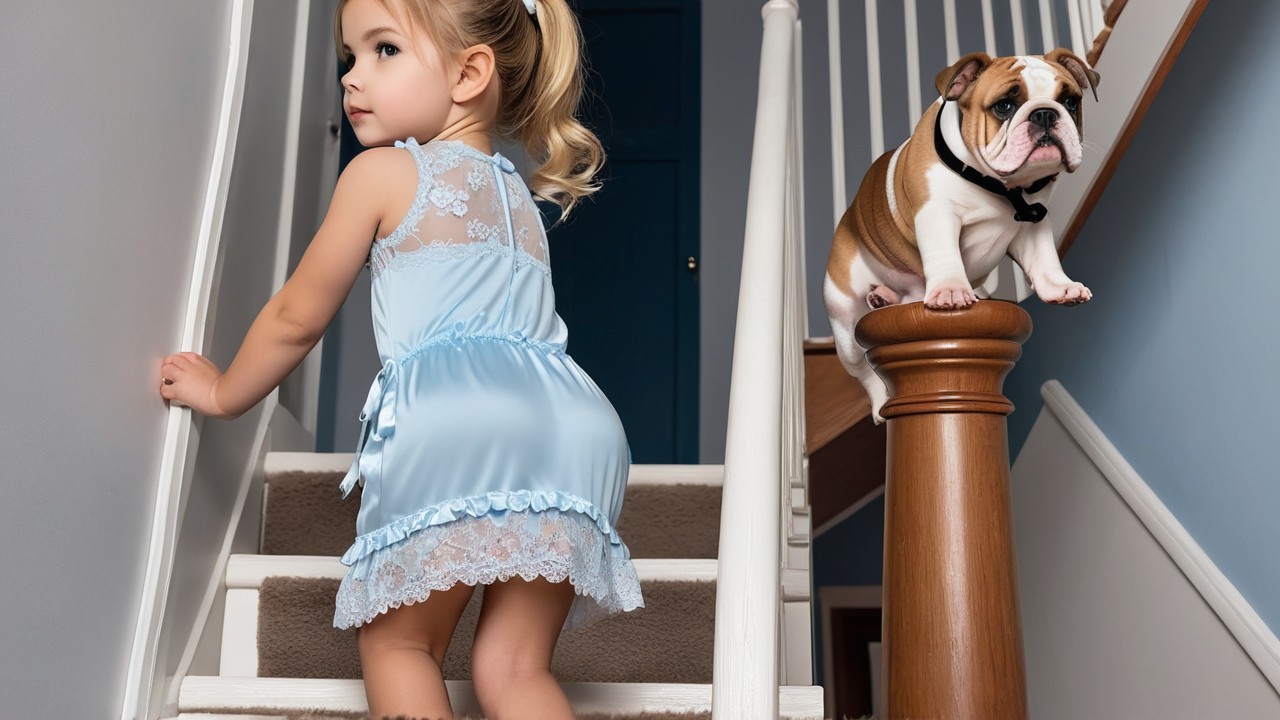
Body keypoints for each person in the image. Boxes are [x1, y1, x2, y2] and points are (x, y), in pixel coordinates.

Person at [159, 0, 643, 716]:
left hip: (456, 421)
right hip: (578, 427)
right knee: (513, 667)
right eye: (349, 57)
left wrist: (225, 392)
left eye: (383, 51)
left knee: (399, 648)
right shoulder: (516, 192)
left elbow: (296, 317)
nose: (352, 79)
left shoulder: (383, 173)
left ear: (469, 72)